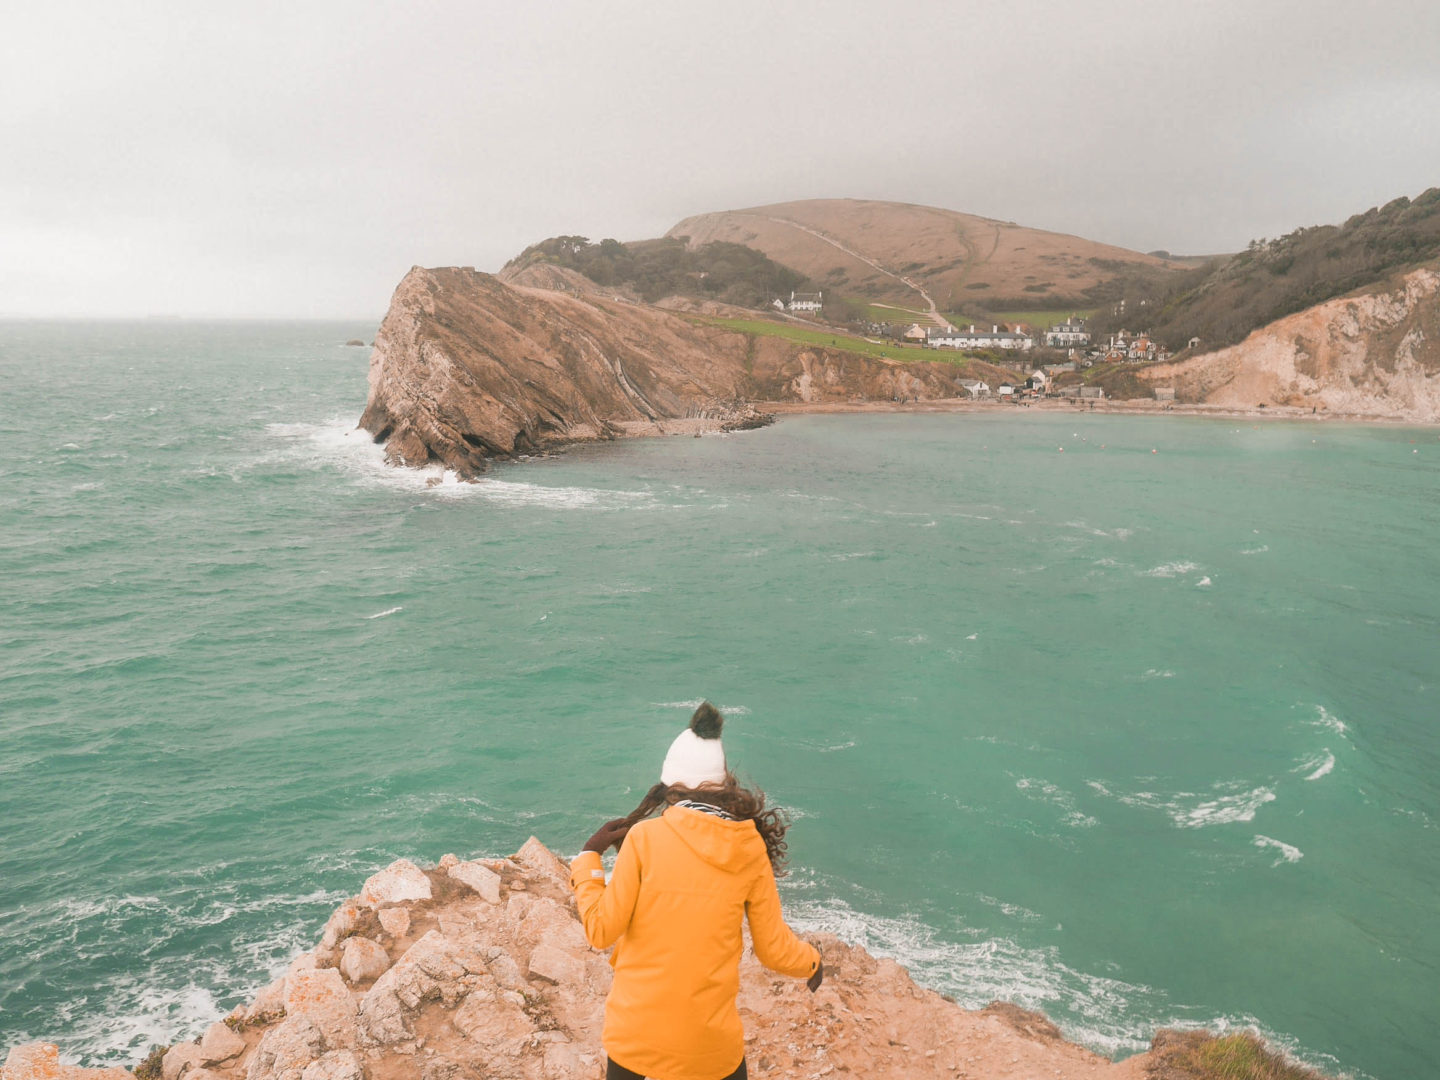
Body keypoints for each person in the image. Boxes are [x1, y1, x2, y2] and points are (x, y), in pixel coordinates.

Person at [570, 702, 823, 1080]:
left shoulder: (644, 838)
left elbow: (600, 929)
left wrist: (590, 858)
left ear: (670, 787)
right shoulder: (749, 847)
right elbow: (774, 950)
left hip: (635, 1047)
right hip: (711, 1054)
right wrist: (812, 962)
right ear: (723, 786)